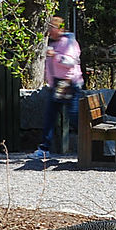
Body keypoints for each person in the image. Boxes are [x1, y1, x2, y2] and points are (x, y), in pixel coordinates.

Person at [32, 17, 83, 160]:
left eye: (51, 28)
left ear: (59, 29)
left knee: (73, 116)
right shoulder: (54, 43)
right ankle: (44, 148)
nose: (49, 32)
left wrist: (56, 56)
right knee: (50, 115)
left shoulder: (68, 42)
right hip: (58, 84)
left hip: (67, 82)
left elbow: (71, 62)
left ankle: (90, 142)